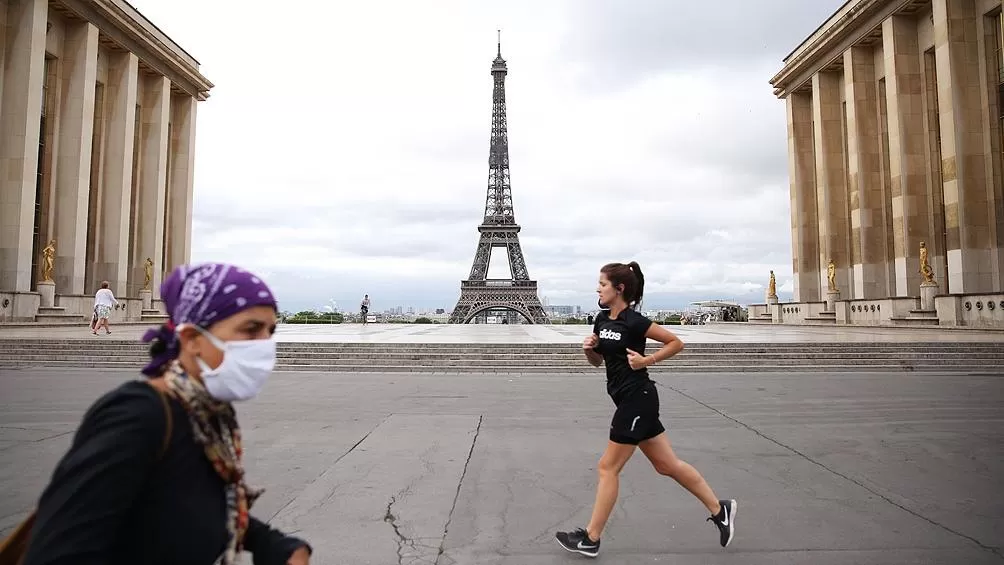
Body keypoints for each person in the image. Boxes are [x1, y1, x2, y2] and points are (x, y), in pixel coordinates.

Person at [21, 262, 312, 565]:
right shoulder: (137, 415)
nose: (265, 345)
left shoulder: (207, 413)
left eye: (270, 331)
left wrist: (275, 545)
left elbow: (190, 505)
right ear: (192, 340)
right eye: (251, 330)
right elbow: (59, 550)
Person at [555, 262, 736, 557]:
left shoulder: (634, 321)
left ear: (619, 289)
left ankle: (591, 538)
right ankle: (720, 510)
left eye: (602, 284)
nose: (598, 289)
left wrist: (645, 361)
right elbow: (599, 363)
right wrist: (590, 350)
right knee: (667, 465)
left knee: (607, 467)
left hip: (637, 398)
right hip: (627, 399)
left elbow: (676, 343)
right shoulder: (601, 320)